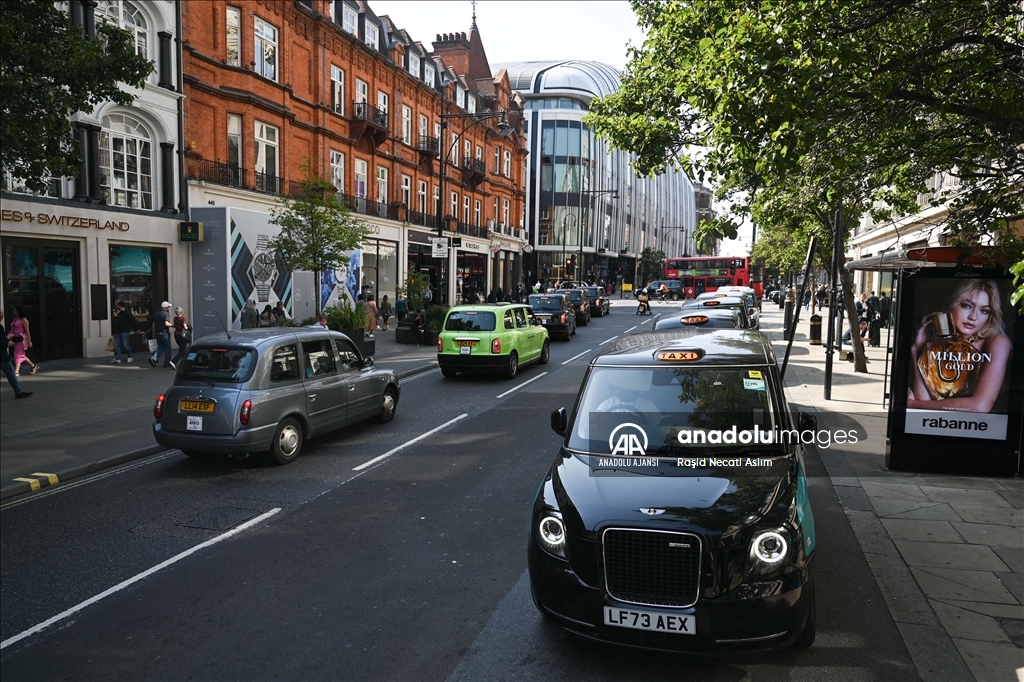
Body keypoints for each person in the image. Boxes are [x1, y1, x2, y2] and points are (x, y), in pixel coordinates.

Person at [908, 279, 1011, 413]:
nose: (973, 317)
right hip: (938, 424)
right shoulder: (938, 345)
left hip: (979, 428)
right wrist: (917, 349)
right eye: (967, 306)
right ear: (952, 305)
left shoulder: (998, 342)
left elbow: (979, 406)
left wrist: (912, 404)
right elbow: (924, 400)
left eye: (984, 311)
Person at [1, 310, 32, 399]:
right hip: (2, 356)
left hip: (19, 339)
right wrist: (7, 343)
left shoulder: (22, 319)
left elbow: (27, 330)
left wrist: (29, 340)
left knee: (18, 356)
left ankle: (18, 390)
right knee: (11, 370)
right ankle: (18, 390)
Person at [7, 306, 38, 376]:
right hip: (15, 338)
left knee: (17, 354)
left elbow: (27, 331)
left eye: (15, 310)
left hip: (21, 339)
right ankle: (33, 366)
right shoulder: (15, 319)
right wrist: (8, 336)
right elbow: (12, 329)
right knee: (21, 355)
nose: (13, 311)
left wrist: (29, 341)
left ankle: (16, 371)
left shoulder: (23, 320)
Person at [149, 301, 174, 368]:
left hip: (157, 333)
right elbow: (166, 323)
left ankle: (154, 358)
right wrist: (174, 325)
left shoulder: (156, 314)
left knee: (161, 347)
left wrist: (153, 333)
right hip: (164, 333)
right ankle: (166, 362)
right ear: (165, 308)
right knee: (168, 348)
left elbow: (153, 325)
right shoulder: (166, 314)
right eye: (168, 307)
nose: (169, 308)